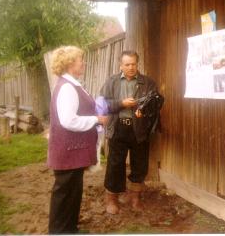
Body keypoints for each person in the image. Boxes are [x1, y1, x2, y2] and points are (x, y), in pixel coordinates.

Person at [47, 46, 108, 235]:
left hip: (73, 150)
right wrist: (96, 120)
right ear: (70, 63)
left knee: (72, 193)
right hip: (68, 151)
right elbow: (68, 120)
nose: (84, 63)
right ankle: (58, 231)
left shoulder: (72, 84)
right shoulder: (67, 87)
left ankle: (69, 229)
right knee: (65, 193)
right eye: (81, 59)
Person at [100, 50, 162, 213]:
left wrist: (145, 111)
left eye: (133, 64)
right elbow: (103, 104)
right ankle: (111, 199)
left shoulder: (147, 82)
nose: (131, 67)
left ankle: (135, 197)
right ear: (121, 65)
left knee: (139, 164)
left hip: (139, 129)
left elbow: (156, 104)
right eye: (127, 64)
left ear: (137, 64)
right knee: (115, 164)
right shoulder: (112, 82)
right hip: (118, 127)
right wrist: (121, 103)